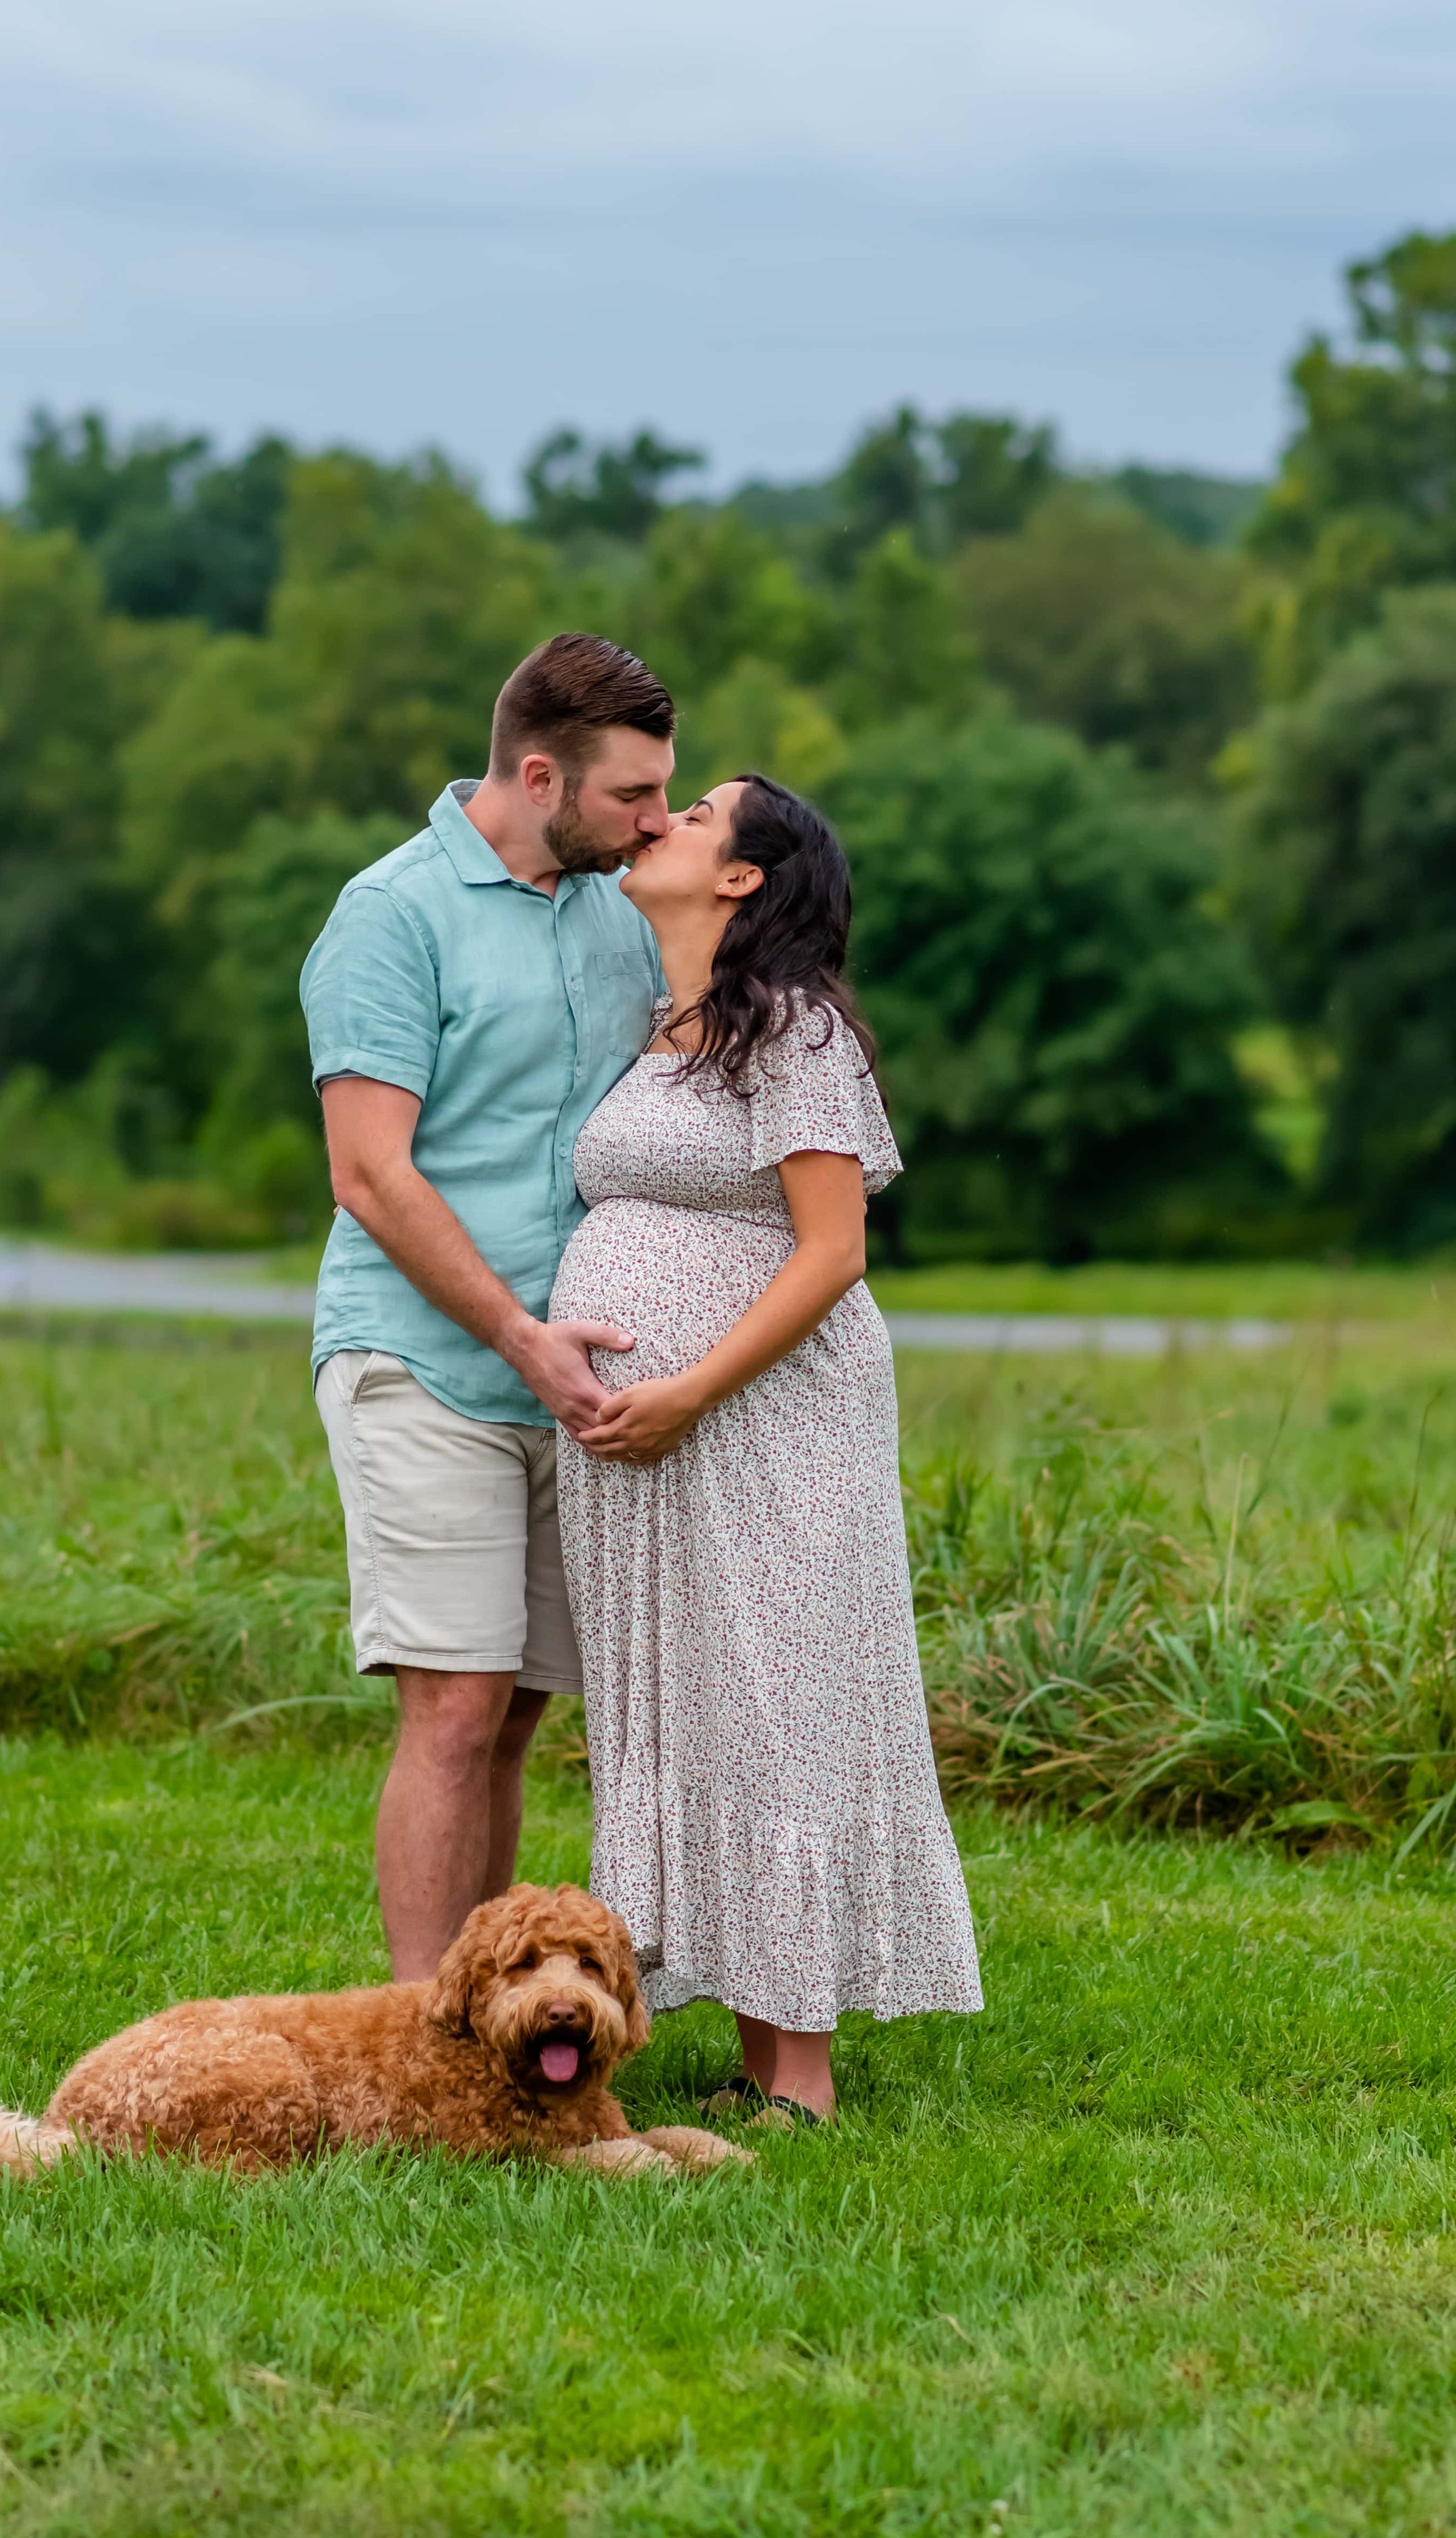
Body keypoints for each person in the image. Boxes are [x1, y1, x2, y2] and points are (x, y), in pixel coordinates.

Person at [550, 775, 982, 2125]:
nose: (662, 818)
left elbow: (831, 1253)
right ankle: (751, 2048)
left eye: (699, 814)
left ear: (743, 878)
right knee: (693, 1706)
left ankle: (799, 2079)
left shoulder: (790, 1028)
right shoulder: (659, 1024)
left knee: (770, 1699)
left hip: (767, 1418)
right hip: (649, 1444)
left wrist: (686, 1388)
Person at [300, 633, 674, 1980]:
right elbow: (366, 1171)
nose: (655, 823)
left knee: (515, 1713)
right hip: (424, 1365)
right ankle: (416, 2036)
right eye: (632, 798)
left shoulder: (622, 908)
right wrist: (516, 1334)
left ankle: (494, 2021)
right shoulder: (389, 916)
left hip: (572, 1383)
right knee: (452, 1709)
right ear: (537, 775)